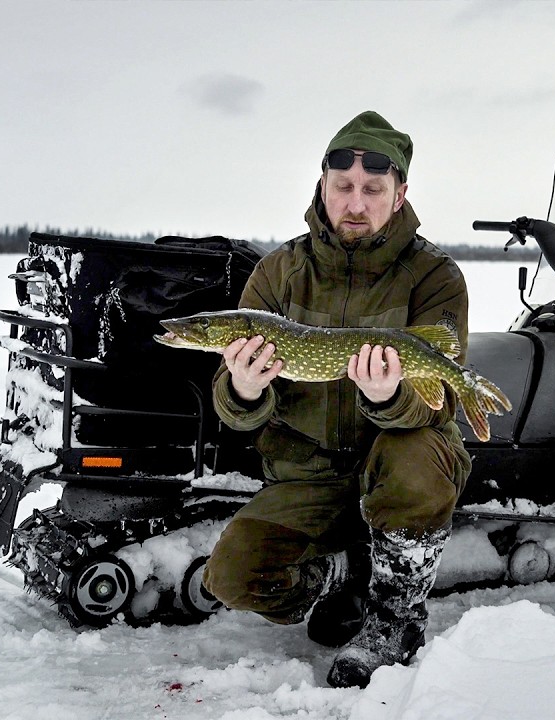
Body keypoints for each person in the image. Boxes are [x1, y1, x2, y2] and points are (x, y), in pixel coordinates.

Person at [201, 111, 472, 688]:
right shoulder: (277, 274)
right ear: (322, 186)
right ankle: (344, 575)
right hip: (310, 475)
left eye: (372, 190)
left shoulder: (436, 276)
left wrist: (391, 397)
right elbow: (235, 410)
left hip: (396, 465)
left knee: (416, 453)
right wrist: (244, 388)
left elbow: (441, 400)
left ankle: (393, 619)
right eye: (342, 187)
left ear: (399, 195)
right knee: (229, 578)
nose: (355, 203)